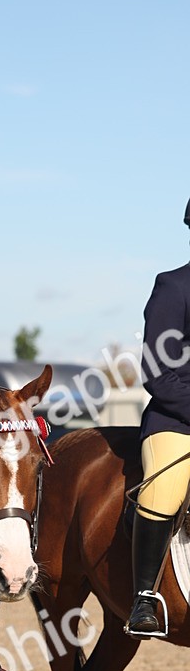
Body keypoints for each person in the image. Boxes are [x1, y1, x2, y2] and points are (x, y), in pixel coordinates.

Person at [126, 196, 190, 637]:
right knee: (165, 486)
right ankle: (144, 595)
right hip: (177, 419)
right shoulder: (174, 286)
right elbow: (159, 371)